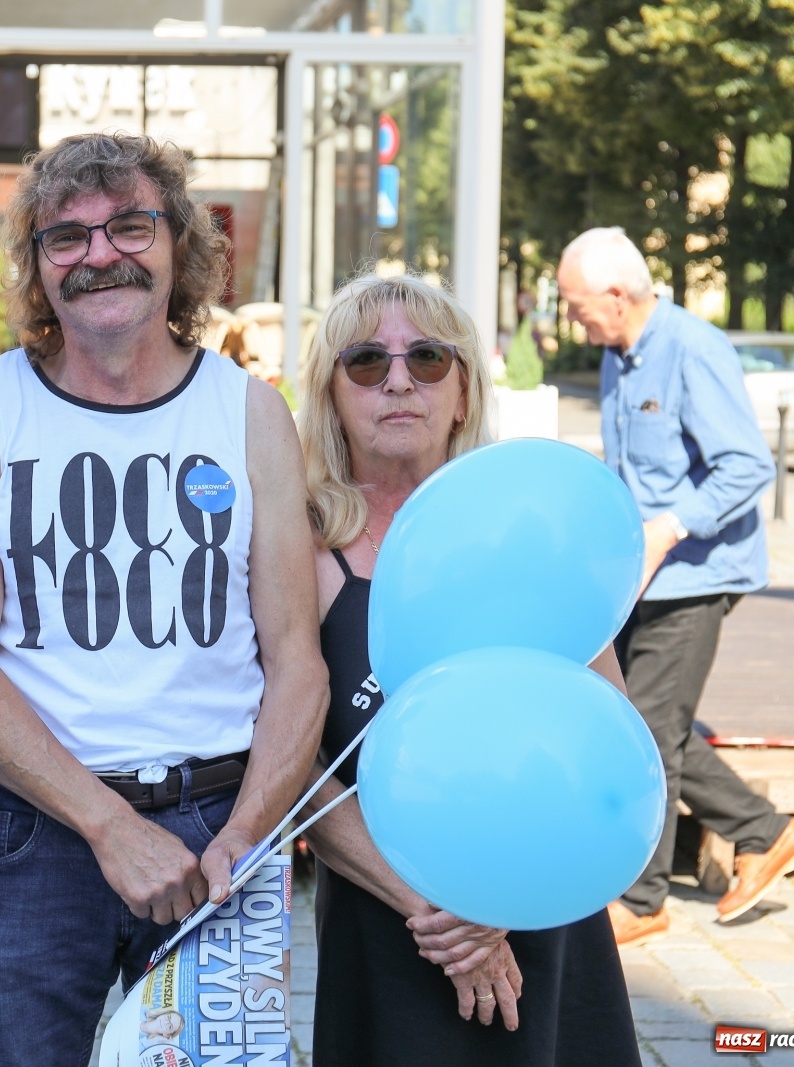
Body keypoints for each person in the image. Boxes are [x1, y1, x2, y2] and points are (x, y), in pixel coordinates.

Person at [0, 131, 328, 1064]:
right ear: (36, 267)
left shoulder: (249, 411)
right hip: (27, 832)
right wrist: (112, 828)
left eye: (130, 227)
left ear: (179, 246)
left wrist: (246, 833)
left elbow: (295, 659)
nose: (99, 254)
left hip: (218, 824)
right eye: (65, 238)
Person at [296, 272, 641, 1065]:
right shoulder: (300, 550)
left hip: (541, 904)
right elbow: (294, 763)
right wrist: (435, 910)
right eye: (365, 362)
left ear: (463, 391)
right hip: (389, 922)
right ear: (331, 392)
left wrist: (499, 908)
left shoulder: (527, 536)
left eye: (427, 358)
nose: (396, 381)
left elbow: (608, 736)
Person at [558, 227, 794, 946]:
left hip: (696, 577)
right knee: (640, 718)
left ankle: (642, 900)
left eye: (576, 304)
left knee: (649, 731)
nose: (571, 317)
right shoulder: (617, 357)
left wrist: (668, 528)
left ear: (616, 295)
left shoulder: (692, 349)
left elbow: (746, 466)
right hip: (641, 578)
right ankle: (765, 830)